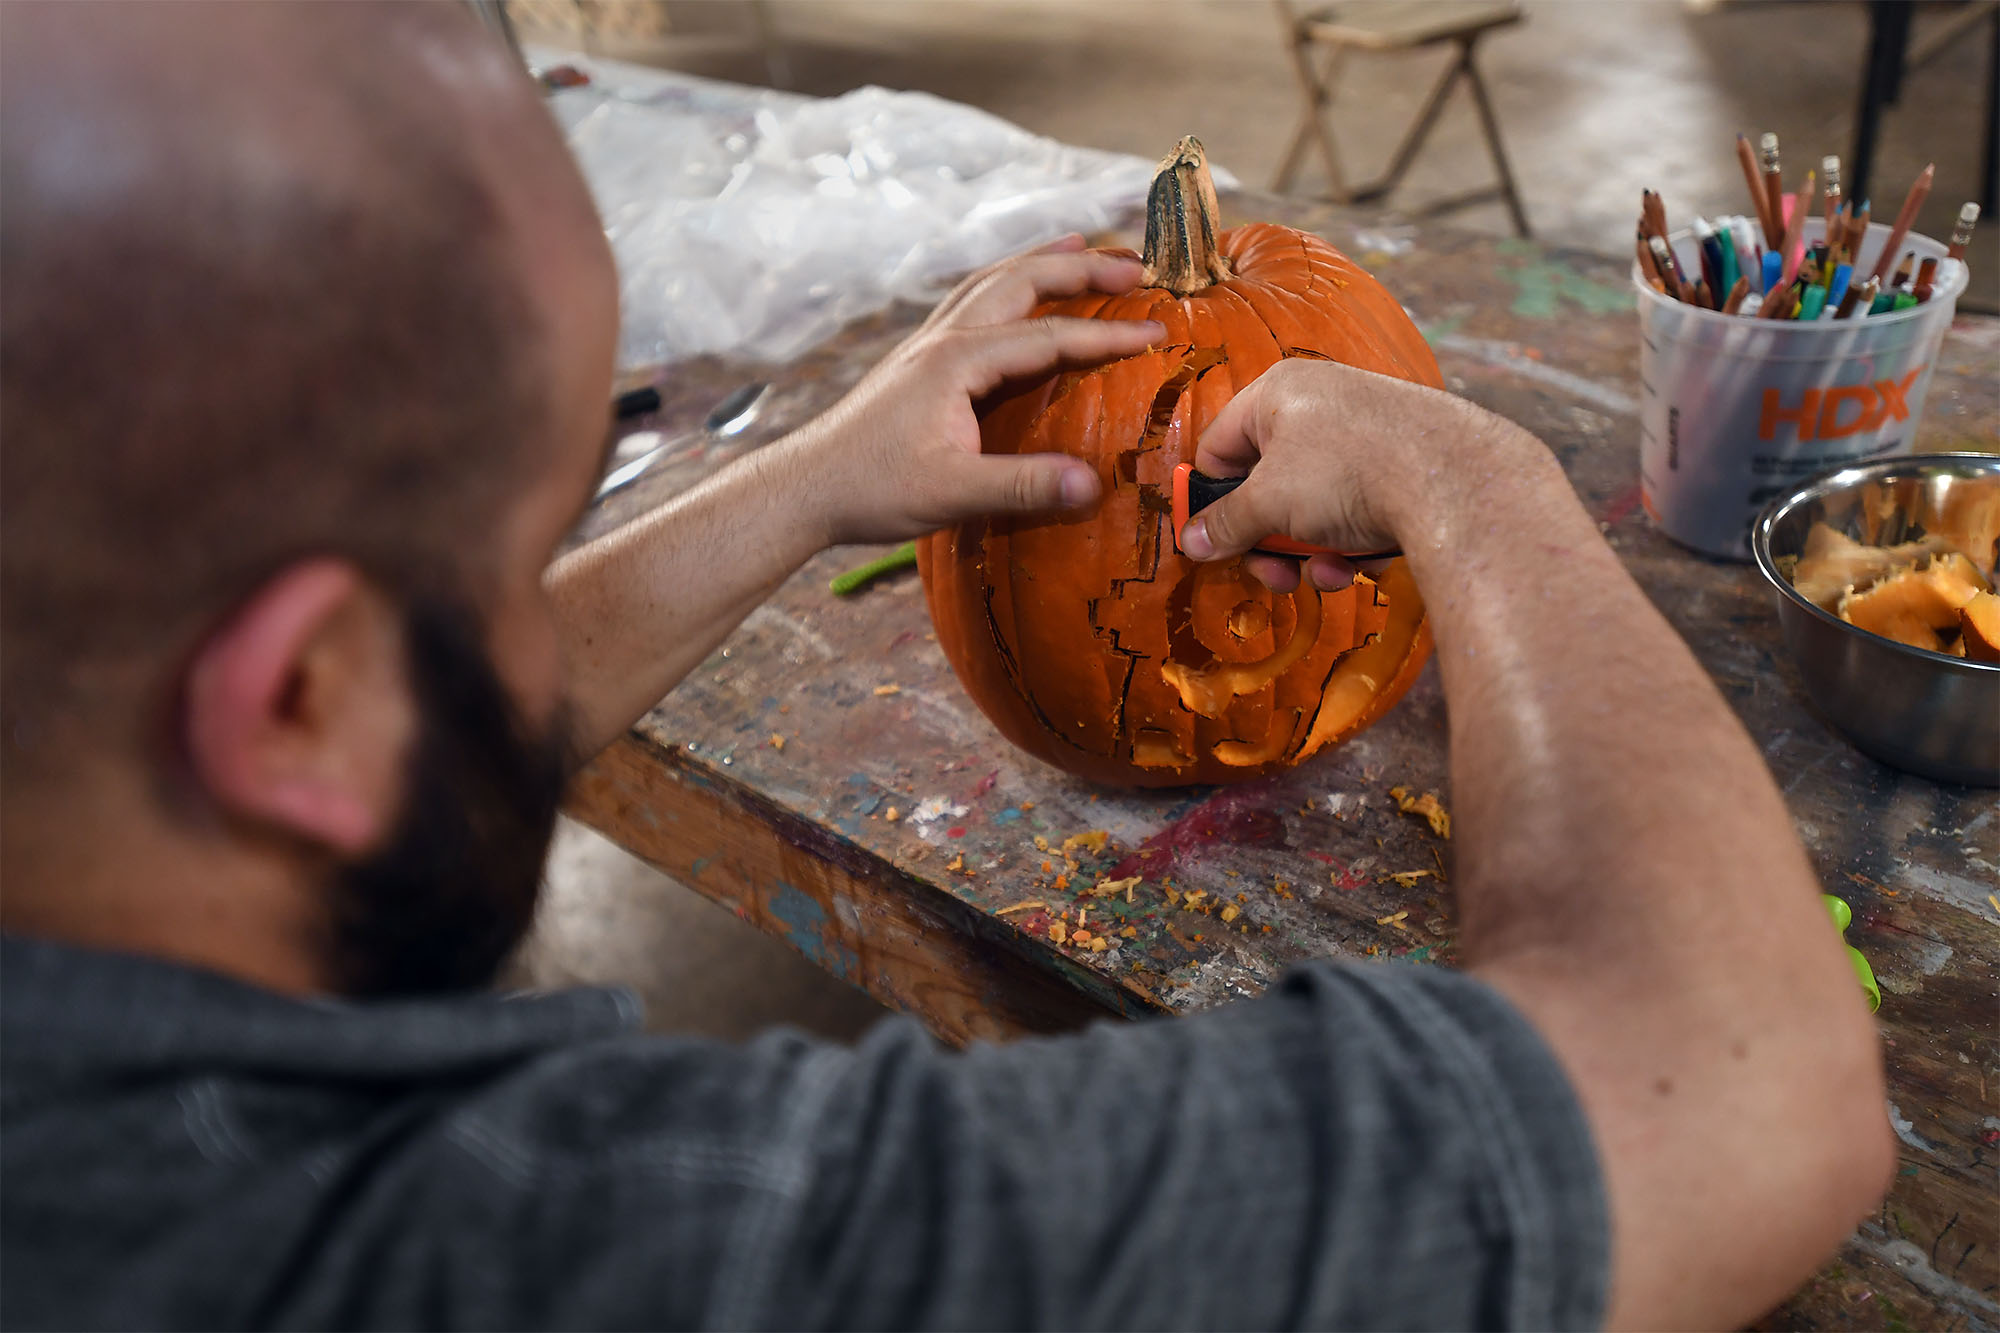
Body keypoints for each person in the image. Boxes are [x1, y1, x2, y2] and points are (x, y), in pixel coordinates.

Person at [0, 5, 1891, 1330]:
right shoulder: (528, 1251)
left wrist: (807, 478)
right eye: (522, 543)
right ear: (296, 704)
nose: (547, 598)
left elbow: (411, 727)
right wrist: (1459, 465)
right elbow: (1738, 1093)